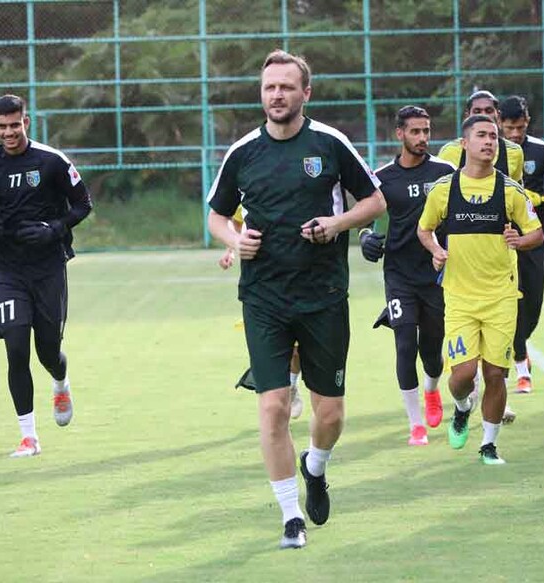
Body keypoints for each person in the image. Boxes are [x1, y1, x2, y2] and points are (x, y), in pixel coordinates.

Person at [206, 50, 385, 549]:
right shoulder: (243, 152)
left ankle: (316, 465)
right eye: (269, 88)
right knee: (273, 408)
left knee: (329, 415)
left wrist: (337, 223)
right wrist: (232, 240)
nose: (277, 95)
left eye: (287, 87)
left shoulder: (330, 144)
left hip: (324, 296)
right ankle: (290, 518)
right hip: (263, 298)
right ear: (261, 95)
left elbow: (374, 200)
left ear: (306, 93)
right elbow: (217, 216)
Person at [417, 114, 543, 465]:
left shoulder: (510, 190)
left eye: (494, 137)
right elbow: (424, 230)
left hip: (502, 297)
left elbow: (536, 232)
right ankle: (461, 407)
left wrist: (520, 240)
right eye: (482, 136)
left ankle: (489, 444)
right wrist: (436, 250)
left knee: (494, 373)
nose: (490, 142)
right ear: (464, 143)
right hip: (458, 298)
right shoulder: (445, 189)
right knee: (462, 375)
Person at [0, 94, 92, 458]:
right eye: (2, 126)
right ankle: (29, 437)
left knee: (47, 349)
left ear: (27, 122)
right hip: (7, 270)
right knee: (16, 344)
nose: (8, 132)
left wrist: (53, 229)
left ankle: (60, 380)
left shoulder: (52, 161)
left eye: (14, 124)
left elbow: (84, 204)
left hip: (48, 267)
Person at [360, 105, 455, 446]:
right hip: (398, 275)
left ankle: (432, 390)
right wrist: (365, 239)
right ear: (399, 133)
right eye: (415, 131)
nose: (422, 138)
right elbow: (366, 217)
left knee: (432, 350)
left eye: (426, 131)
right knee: (404, 344)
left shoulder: (446, 172)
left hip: (436, 274)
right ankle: (415, 424)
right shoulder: (382, 178)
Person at [221, 207, 305, 421]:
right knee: (277, 345)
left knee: (298, 349)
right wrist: (232, 248)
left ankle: (292, 385)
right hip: (262, 285)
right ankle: (281, 394)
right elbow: (236, 223)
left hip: (298, 276)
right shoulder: (246, 187)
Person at [498, 96, 544, 394]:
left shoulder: (543, 151)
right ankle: (519, 361)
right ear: (499, 122)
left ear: (528, 122)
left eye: (520, 127)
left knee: (532, 303)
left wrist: (541, 198)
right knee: (509, 300)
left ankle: (521, 346)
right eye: (509, 127)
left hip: (533, 237)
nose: (515, 133)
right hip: (499, 240)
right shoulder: (492, 151)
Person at [438, 91, 524, 183]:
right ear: (467, 116)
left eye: (489, 111)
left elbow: (517, 191)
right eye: (477, 111)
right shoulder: (449, 151)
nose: (483, 115)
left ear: (498, 116)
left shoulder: (514, 152)